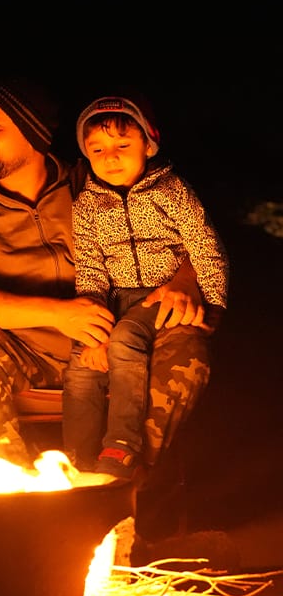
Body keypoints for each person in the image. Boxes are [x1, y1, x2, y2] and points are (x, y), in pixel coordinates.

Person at [0, 79, 213, 542]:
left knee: (186, 338)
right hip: (22, 352)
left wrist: (182, 282)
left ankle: (116, 505)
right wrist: (59, 314)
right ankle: (13, 510)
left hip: (118, 344)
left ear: (33, 134)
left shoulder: (90, 180)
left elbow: (184, 230)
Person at [62, 94, 229, 481]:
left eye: (123, 145)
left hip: (157, 294)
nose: (110, 157)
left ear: (148, 144)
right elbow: (90, 268)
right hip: (116, 298)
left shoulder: (170, 190)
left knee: (125, 339)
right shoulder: (87, 205)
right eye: (97, 149)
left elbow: (204, 244)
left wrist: (214, 305)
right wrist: (92, 325)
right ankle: (77, 463)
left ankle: (120, 446)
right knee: (81, 366)